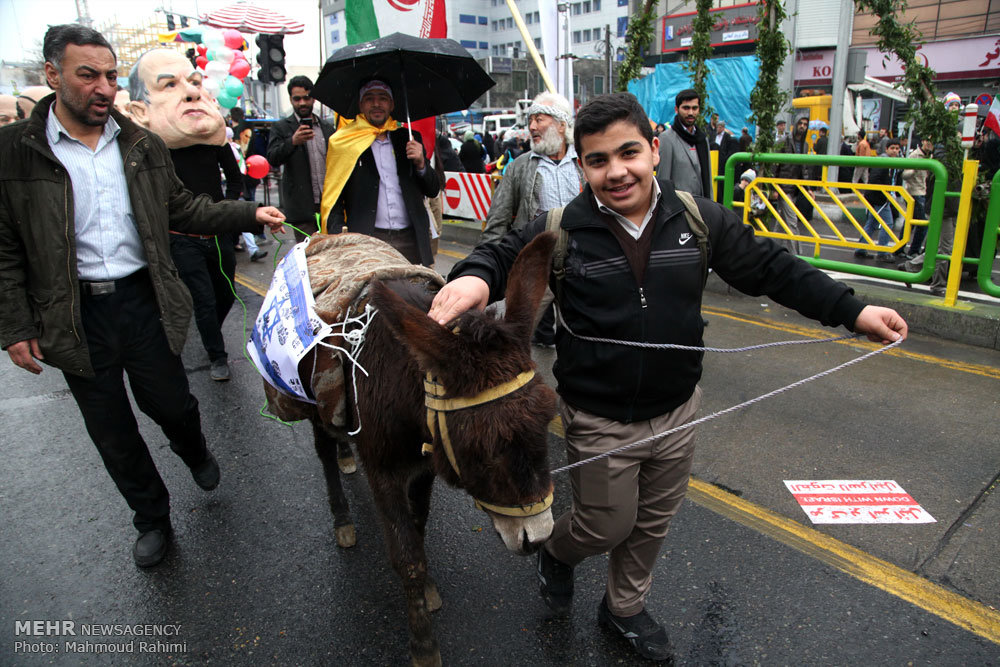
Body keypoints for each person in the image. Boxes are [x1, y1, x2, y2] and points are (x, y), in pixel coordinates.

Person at [425, 92, 907, 662]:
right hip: (600, 418)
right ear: (582, 166)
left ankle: (623, 609)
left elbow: (773, 268)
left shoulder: (699, 219)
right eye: (598, 160)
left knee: (652, 522)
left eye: (628, 152)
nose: (616, 171)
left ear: (654, 150)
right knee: (606, 524)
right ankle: (558, 552)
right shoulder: (562, 229)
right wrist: (478, 280)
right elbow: (502, 252)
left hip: (678, 410)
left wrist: (853, 310)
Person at [0, 25, 286, 568]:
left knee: (171, 404)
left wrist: (249, 212)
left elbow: (184, 208)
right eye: (88, 75)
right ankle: (152, 519)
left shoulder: (141, 144)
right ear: (52, 75)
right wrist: (15, 324)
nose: (103, 87)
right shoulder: (14, 153)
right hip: (73, 316)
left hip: (144, 301)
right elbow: (5, 245)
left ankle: (194, 449)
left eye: (110, 75)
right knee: (113, 431)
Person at [127, 47, 243, 381]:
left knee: (225, 293)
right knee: (204, 299)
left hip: (217, 231)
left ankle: (211, 332)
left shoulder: (212, 139)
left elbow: (234, 181)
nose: (191, 93)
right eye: (170, 85)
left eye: (194, 82)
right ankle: (216, 355)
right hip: (182, 238)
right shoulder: (152, 148)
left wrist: (229, 214)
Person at [480, 91, 584, 348]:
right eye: (530, 121)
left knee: (582, 337)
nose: (532, 127)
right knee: (511, 337)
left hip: (580, 266)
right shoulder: (521, 166)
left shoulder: (584, 163)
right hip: (536, 266)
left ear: (561, 125)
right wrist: (489, 269)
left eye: (540, 119)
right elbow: (498, 219)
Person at [320, 79, 439, 266]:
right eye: (369, 98)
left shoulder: (408, 139)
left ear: (391, 104)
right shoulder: (343, 143)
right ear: (361, 105)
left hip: (411, 241)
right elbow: (334, 198)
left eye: (383, 98)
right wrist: (338, 241)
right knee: (375, 295)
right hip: (368, 241)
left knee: (413, 294)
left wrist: (421, 163)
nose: (376, 104)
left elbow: (433, 189)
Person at [267, 75, 337, 242]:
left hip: (330, 205)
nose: (302, 103)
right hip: (302, 208)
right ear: (291, 100)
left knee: (334, 252)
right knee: (309, 256)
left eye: (306, 98)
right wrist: (292, 142)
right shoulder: (281, 127)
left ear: (313, 98)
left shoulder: (327, 128)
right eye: (297, 99)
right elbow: (273, 158)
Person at [656, 88, 711, 197]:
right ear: (676, 109)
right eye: (686, 108)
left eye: (694, 108)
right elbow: (663, 182)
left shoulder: (702, 139)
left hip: (702, 207)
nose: (691, 112)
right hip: (678, 208)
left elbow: (708, 180)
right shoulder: (666, 139)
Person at [854, 138, 902, 262]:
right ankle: (882, 252)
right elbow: (875, 179)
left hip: (877, 198)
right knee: (887, 224)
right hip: (879, 199)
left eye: (897, 148)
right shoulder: (884, 161)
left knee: (872, 224)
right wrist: (884, 195)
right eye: (892, 148)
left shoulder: (892, 163)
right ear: (886, 149)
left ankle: (861, 249)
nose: (895, 151)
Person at [226, 126, 268, 262]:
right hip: (234, 190)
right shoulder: (235, 148)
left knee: (243, 218)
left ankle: (252, 249)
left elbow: (240, 170)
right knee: (240, 219)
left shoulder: (231, 149)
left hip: (233, 191)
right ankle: (248, 248)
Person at [772, 115, 811, 254]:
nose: (802, 126)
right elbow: (774, 165)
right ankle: (797, 256)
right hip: (784, 187)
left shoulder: (805, 144)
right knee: (792, 222)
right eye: (800, 123)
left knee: (781, 223)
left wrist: (807, 188)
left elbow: (804, 168)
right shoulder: (784, 141)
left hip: (795, 188)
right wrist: (774, 186)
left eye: (805, 124)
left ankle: (772, 250)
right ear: (795, 124)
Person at [901, 137, 934, 257]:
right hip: (914, 192)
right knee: (922, 223)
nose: (929, 144)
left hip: (925, 192)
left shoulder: (931, 156)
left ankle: (900, 248)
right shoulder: (915, 155)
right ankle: (914, 250)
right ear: (923, 141)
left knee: (911, 222)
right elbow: (904, 174)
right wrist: (915, 169)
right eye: (928, 141)